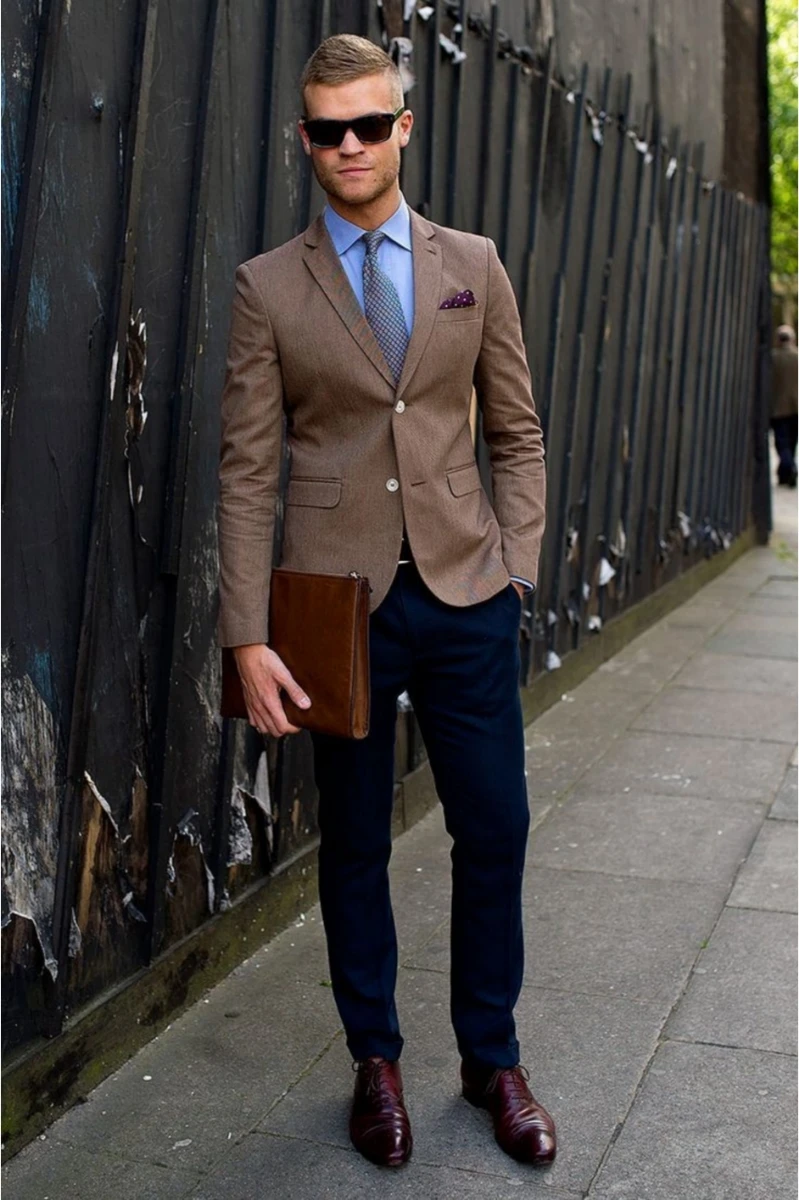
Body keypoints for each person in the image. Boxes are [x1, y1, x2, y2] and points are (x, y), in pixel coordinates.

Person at [217, 34, 554, 1171]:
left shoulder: (475, 261)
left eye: (369, 124)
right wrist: (247, 636)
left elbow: (515, 430)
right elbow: (246, 470)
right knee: (354, 841)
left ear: (403, 127)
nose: (349, 146)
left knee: (494, 828)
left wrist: (518, 568)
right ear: (303, 139)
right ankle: (376, 1061)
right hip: (333, 609)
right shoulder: (269, 286)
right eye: (327, 130)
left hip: (466, 594)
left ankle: (490, 1059)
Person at [771, 324, 798, 488]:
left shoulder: (773, 358)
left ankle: (789, 468)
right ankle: (785, 473)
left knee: (782, 443)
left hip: (778, 407)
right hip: (796, 407)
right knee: (792, 442)